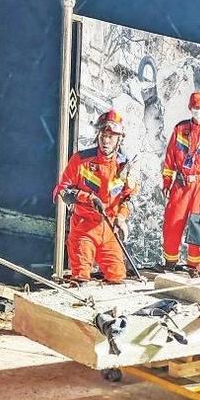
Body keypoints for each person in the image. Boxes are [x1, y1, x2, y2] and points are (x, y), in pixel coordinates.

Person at [53, 110, 137, 284]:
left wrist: (121, 218)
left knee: (118, 279)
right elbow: (61, 190)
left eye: (111, 137)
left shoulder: (124, 166)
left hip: (109, 229)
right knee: (80, 279)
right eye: (103, 135)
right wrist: (88, 198)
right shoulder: (81, 160)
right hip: (84, 229)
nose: (106, 141)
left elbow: (128, 198)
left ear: (119, 139)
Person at [161, 91, 200, 275]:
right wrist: (167, 183)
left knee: (198, 227)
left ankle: (194, 267)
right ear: (189, 108)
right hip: (181, 184)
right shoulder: (180, 129)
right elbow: (169, 158)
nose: (197, 111)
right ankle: (170, 262)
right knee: (172, 223)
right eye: (194, 108)